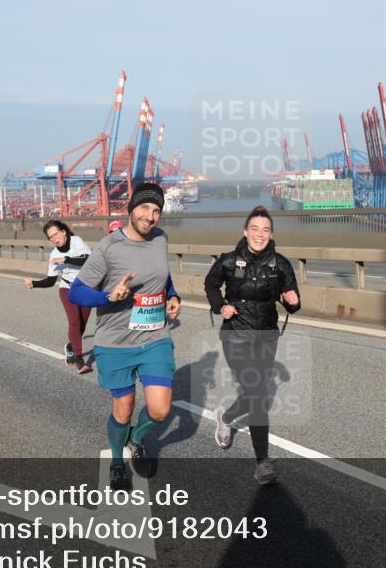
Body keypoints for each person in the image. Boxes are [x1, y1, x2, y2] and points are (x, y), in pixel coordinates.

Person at [69, 182, 181, 491]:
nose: (150, 216)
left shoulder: (160, 238)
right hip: (115, 342)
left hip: (155, 337)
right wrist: (108, 296)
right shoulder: (109, 247)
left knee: (160, 409)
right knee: (124, 407)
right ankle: (117, 462)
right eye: (144, 208)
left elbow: (163, 274)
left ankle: (137, 438)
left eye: (156, 210)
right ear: (131, 209)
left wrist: (173, 295)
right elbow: (77, 292)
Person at [203, 205, 301, 485]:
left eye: (265, 230)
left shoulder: (280, 264)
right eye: (255, 229)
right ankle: (262, 463)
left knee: (254, 392)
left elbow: (292, 300)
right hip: (235, 333)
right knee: (258, 396)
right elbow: (210, 285)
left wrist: (293, 302)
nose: (260, 234)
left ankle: (226, 416)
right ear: (245, 231)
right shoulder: (229, 261)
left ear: (271, 234)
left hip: (267, 335)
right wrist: (220, 306)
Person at [24, 220, 94, 374]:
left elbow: (88, 260)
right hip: (67, 288)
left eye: (56, 234)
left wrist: (66, 259)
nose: (54, 238)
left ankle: (70, 346)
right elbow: (51, 281)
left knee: (82, 325)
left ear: (63, 232)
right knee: (74, 321)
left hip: (86, 287)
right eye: (50, 237)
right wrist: (34, 284)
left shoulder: (76, 241)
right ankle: (79, 360)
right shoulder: (54, 255)